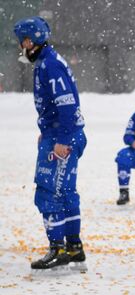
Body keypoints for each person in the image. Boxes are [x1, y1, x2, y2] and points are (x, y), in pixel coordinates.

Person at [14, 17, 88, 272]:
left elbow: (66, 103)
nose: (21, 47)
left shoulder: (49, 65)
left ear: (31, 40)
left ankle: (58, 248)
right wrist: (47, 132)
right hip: (60, 135)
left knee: (48, 192)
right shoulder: (49, 62)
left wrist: (61, 140)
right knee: (66, 192)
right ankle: (74, 247)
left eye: (22, 41)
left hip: (63, 138)